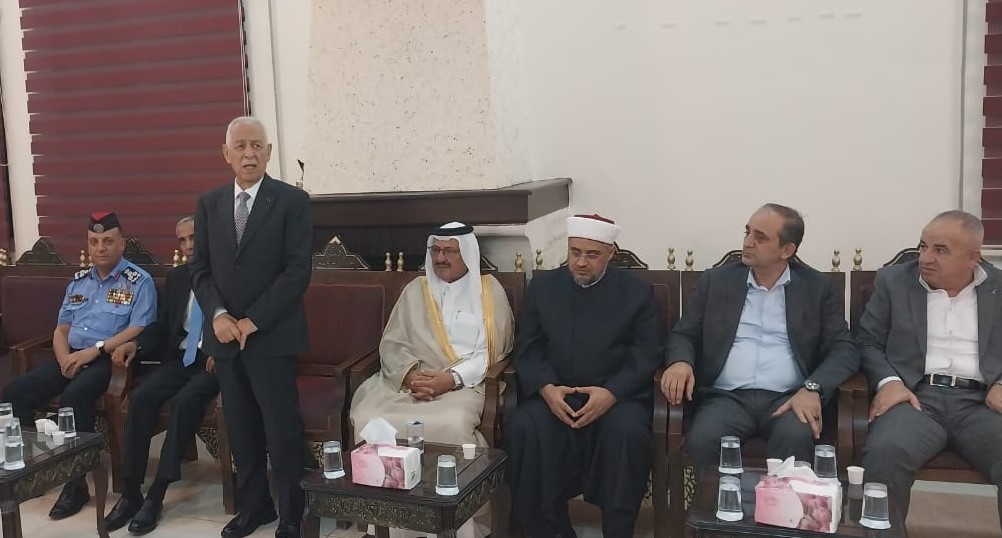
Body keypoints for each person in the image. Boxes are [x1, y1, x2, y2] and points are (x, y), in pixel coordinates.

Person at [350, 222, 514, 538]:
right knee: (370, 418)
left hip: (464, 385)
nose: (440, 258)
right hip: (410, 383)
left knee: (452, 425)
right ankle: (388, 523)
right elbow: (392, 342)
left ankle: (454, 521)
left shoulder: (488, 291)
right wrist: (410, 376)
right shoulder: (416, 290)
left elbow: (494, 352)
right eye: (436, 250)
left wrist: (451, 379)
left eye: (449, 251)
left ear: (467, 254)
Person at [190, 116, 313, 538]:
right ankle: (255, 507)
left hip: (272, 337)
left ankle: (292, 513)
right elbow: (200, 270)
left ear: (269, 152)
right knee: (241, 429)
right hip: (225, 339)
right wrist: (219, 316)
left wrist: (253, 320)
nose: (249, 153)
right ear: (225, 154)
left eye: (257, 145)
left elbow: (297, 272)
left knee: (280, 431)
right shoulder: (209, 203)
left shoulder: (292, 202)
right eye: (240, 146)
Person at [661, 203, 858, 466]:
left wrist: (813, 388)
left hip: (789, 398)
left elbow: (844, 349)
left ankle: (787, 496)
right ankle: (715, 496)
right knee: (704, 439)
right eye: (747, 232)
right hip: (726, 397)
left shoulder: (817, 288)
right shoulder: (717, 282)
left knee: (795, 437)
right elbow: (684, 333)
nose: (747, 242)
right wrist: (680, 362)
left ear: (787, 250)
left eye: (760, 237)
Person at [508, 214, 663, 538]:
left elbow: (646, 353)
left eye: (592, 255)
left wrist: (612, 393)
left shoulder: (636, 292)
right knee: (525, 427)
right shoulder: (543, 287)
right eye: (575, 252)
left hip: (616, 396)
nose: (580, 262)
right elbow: (529, 348)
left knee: (628, 433)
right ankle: (551, 530)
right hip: (556, 393)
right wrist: (546, 389)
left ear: (611, 253)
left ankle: (618, 531)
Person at [2, 212, 156, 520]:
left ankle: (75, 484)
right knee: (15, 391)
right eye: (94, 242)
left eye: (108, 241)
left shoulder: (138, 281)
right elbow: (61, 329)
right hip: (70, 356)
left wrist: (92, 352)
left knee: (74, 398)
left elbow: (139, 327)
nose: (100, 248)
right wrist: (64, 359)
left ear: (122, 244)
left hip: (109, 360)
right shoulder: (79, 282)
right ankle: (29, 473)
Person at [858, 210, 1002, 531]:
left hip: (982, 403)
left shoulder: (999, 288)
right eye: (923, 246)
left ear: (973, 257)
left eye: (940, 250)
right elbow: (866, 341)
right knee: (886, 453)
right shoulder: (894, 281)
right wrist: (889, 381)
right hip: (915, 398)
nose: (925, 258)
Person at [103, 216, 221, 534]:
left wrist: (222, 351)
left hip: (214, 362)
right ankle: (130, 493)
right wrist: (136, 345)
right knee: (140, 398)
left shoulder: (228, 274)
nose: (189, 245)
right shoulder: (178, 277)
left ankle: (156, 495)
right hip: (180, 358)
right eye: (182, 240)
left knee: (184, 402)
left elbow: (239, 321)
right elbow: (163, 324)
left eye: (194, 237)